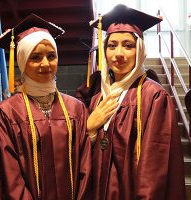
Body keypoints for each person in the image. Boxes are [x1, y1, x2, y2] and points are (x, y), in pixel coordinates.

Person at [86, 4, 186, 200]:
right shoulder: (99, 98)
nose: (119, 54)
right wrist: (89, 130)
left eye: (128, 45)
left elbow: (154, 167)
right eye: (112, 45)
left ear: (140, 49)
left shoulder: (153, 96)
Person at [0, 14, 92, 199]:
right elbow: (10, 176)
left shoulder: (76, 109)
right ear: (22, 61)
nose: (45, 64)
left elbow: (86, 169)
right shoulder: (7, 113)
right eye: (35, 57)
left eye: (51, 56)